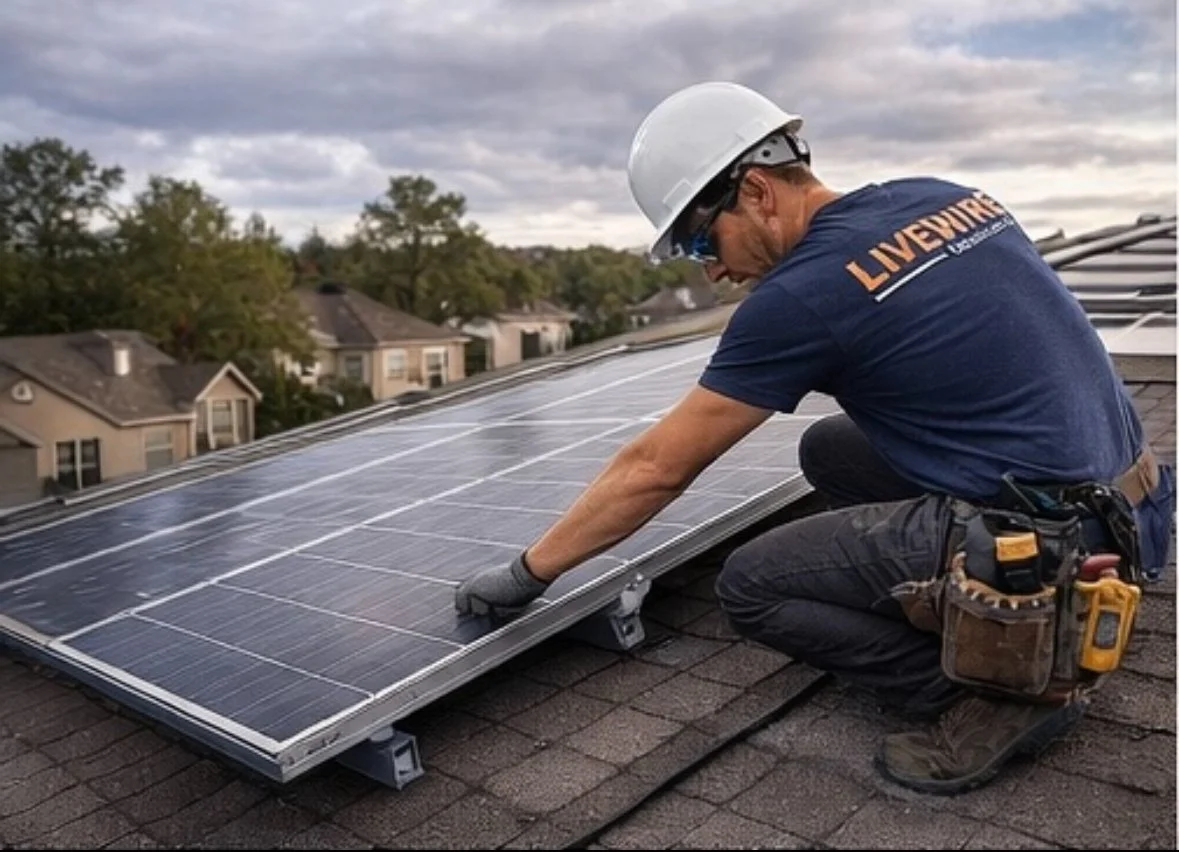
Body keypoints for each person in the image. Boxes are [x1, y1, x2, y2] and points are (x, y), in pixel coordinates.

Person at [454, 81, 1175, 795]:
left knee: (750, 585)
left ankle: (997, 687)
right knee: (826, 449)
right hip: (1131, 513)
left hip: (1052, 544)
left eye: (703, 238)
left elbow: (656, 468)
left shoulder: (801, 295)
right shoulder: (941, 194)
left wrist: (528, 574)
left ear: (758, 191)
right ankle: (992, 611)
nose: (711, 269)